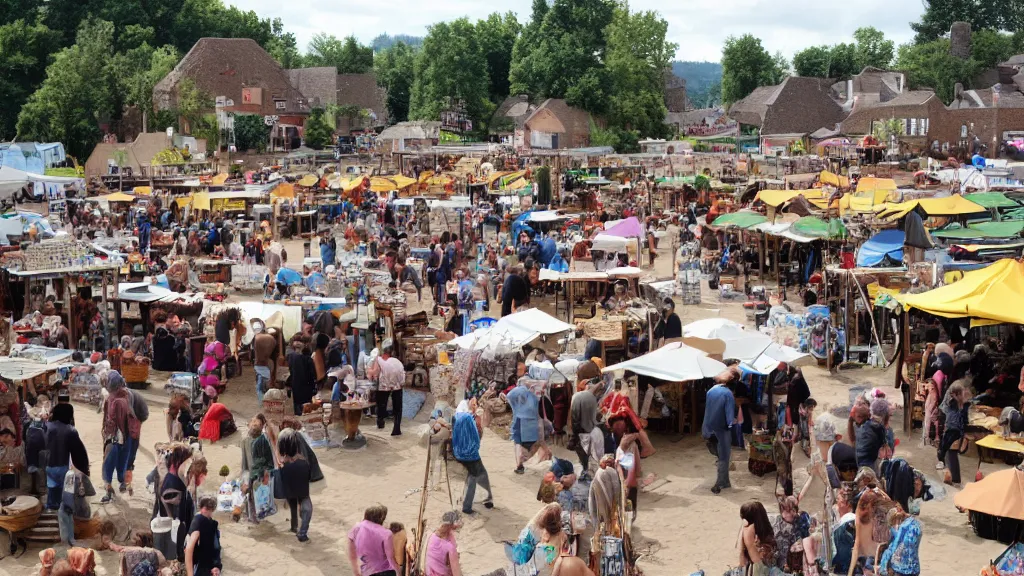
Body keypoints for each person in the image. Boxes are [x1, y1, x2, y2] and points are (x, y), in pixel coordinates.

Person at [452, 399, 493, 514]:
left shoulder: (456, 417)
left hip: (458, 452)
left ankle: (485, 499)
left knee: (476, 474)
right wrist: (475, 448)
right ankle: (469, 506)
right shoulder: (469, 418)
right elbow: (475, 436)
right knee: (476, 476)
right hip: (470, 454)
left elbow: (454, 436)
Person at [44, 404, 88, 511]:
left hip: (48, 466)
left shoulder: (46, 427)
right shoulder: (71, 430)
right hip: (63, 466)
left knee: (52, 486)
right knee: (65, 490)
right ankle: (64, 510)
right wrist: (84, 468)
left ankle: (51, 507)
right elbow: (78, 452)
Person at [101, 373, 133, 503]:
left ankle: (109, 489)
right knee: (121, 464)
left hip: (111, 437)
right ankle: (120, 484)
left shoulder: (110, 399)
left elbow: (106, 420)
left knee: (108, 464)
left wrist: (104, 434)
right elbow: (126, 422)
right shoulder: (125, 399)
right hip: (121, 438)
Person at [277, 429, 313, 542]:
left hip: (288, 489)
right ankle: (302, 532)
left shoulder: (283, 464)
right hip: (302, 488)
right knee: (307, 506)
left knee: (293, 504)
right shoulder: (303, 462)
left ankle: (294, 526)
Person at [702, 379, 736, 494]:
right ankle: (721, 482)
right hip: (721, 429)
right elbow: (729, 415)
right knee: (724, 457)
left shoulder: (711, 390)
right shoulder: (728, 394)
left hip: (708, 428)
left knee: (719, 455)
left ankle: (725, 481)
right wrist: (732, 424)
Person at [347, 504, 398, 576]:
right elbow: (390, 558)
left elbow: (352, 555)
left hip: (366, 572)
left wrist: (356, 572)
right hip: (385, 572)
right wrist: (399, 572)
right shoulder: (386, 533)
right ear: (381, 518)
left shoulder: (356, 528)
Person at [368, 341, 405, 436]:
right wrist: (400, 384)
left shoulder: (378, 360)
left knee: (381, 405)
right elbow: (402, 375)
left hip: (383, 386)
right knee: (398, 407)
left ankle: (380, 423)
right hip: (398, 386)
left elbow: (375, 373)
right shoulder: (398, 362)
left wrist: (370, 373)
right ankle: (397, 429)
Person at [507, 375, 542, 474]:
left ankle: (520, 465)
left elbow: (509, 396)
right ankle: (522, 463)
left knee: (518, 443)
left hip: (519, 419)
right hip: (529, 422)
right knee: (527, 444)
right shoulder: (532, 393)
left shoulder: (519, 391)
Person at [937, 382, 970, 485]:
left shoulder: (956, 404)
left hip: (953, 430)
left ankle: (953, 477)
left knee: (950, 452)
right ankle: (953, 476)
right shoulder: (956, 403)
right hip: (955, 430)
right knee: (950, 453)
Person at [877, 506, 922, 576]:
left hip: (900, 568)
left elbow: (894, 546)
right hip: (914, 567)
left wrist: (885, 565)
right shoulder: (918, 525)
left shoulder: (903, 526)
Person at [184, 495, 222, 576]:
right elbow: (188, 549)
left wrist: (216, 566)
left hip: (208, 567)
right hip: (201, 568)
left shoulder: (210, 523)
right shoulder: (199, 521)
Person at [569, 379, 601, 474]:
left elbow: (574, 415)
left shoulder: (577, 397)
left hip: (581, 431)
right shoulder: (592, 399)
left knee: (584, 455)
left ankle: (586, 469)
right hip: (590, 430)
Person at [738, 500, 777, 575]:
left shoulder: (767, 541)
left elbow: (760, 569)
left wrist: (749, 543)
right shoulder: (747, 530)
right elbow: (742, 563)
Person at [426, 511, 463, 576]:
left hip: (430, 572)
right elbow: (456, 571)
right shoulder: (449, 547)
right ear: (451, 525)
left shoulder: (432, 536)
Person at [251, 319, 279, 405]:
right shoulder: (272, 339)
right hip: (269, 363)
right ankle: (268, 399)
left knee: (259, 383)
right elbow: (275, 354)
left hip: (259, 364)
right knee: (268, 381)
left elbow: (252, 353)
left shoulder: (255, 339)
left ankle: (261, 401)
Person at [287, 342, 317, 416]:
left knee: (297, 406)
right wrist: (314, 386)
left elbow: (289, 372)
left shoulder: (291, 357)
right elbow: (313, 374)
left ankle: (298, 416)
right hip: (307, 386)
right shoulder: (308, 359)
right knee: (307, 409)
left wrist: (288, 385)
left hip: (295, 385)